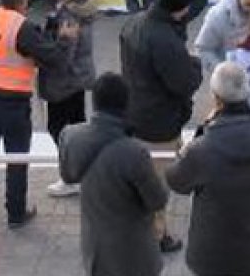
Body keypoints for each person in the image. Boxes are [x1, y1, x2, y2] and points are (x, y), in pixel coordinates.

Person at [166, 63, 250, 276]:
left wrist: (201, 133)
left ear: (216, 99)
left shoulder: (201, 150)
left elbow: (176, 181)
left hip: (209, 258)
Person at [0, 0, 75, 228]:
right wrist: (63, 40)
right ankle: (15, 213)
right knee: (16, 155)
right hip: (12, 98)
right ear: (21, 1)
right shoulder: (21, 26)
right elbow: (53, 58)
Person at [120, 0, 204, 253]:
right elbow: (184, 82)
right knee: (156, 184)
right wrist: (194, 63)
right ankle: (155, 237)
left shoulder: (134, 23)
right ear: (179, 9)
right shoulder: (165, 39)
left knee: (143, 176)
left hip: (134, 111)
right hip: (159, 121)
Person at [59, 73, 169, 276]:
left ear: (95, 102)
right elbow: (157, 199)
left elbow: (67, 176)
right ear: (126, 104)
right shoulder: (134, 152)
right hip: (133, 253)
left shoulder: (70, 136)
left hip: (95, 249)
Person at [40, 0, 99, 198]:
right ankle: (84, 172)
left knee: (58, 128)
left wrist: (46, 50)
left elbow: (65, 51)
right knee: (77, 124)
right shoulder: (78, 5)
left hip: (65, 79)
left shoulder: (68, 14)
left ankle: (71, 176)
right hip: (79, 76)